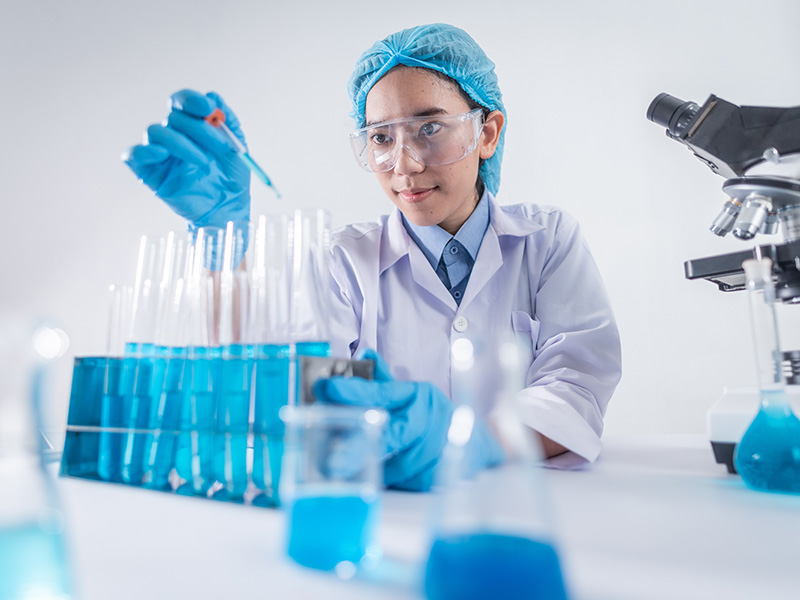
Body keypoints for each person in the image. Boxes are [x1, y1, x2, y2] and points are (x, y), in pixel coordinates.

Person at [123, 23, 622, 492]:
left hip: (521, 506)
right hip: (385, 510)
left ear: (486, 134)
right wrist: (222, 245)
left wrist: (474, 441)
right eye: (381, 137)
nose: (403, 164)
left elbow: (575, 389)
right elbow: (284, 384)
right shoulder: (343, 259)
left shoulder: (547, 239)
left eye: (429, 128)